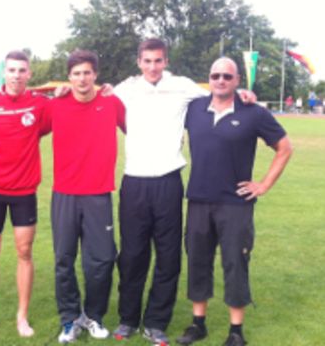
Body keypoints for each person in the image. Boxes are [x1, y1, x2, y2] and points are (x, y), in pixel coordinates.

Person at [176, 57, 292, 346]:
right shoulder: (194, 109)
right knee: (198, 262)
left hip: (236, 205)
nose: (221, 80)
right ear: (209, 78)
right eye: (215, 75)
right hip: (199, 201)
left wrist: (263, 184)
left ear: (238, 80)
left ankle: (236, 331)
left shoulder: (253, 112)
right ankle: (198, 324)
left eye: (227, 76)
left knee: (235, 263)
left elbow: (285, 148)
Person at [113, 39, 208, 345]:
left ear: (166, 61)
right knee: (132, 255)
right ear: (138, 62)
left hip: (168, 182)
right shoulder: (125, 88)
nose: (152, 67)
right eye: (147, 61)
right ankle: (128, 319)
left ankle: (155, 322)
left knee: (168, 257)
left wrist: (243, 94)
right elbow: (92, 97)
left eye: (158, 61)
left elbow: (217, 96)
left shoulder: (183, 86)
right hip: (134, 183)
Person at [46, 50, 125, 343]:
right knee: (64, 258)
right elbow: (26, 125)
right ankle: (69, 319)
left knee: (102, 260)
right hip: (64, 194)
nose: (82, 78)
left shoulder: (111, 102)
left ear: (96, 75)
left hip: (98, 195)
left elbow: (140, 127)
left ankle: (93, 316)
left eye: (87, 73)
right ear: (69, 77)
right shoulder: (56, 105)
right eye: (76, 73)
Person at [0, 51, 49, 339]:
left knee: (24, 252)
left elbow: (68, 112)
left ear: (30, 74)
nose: (17, 75)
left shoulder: (41, 105)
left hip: (25, 191)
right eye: (12, 70)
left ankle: (22, 317)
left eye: (22, 70)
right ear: (4, 73)